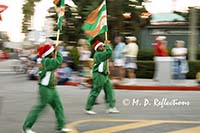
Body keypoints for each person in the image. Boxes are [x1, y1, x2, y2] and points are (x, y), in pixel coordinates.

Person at [22, 44, 71, 133]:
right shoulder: (46, 61)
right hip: (45, 88)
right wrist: (58, 52)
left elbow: (56, 63)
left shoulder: (48, 60)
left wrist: (56, 52)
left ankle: (61, 126)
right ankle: (27, 127)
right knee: (40, 107)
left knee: (58, 107)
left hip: (52, 88)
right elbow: (58, 62)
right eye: (52, 51)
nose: (53, 53)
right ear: (49, 53)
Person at [85, 40, 119, 115]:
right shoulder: (98, 54)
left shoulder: (102, 54)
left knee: (109, 90)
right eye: (101, 46)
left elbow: (104, 63)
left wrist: (106, 69)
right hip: (98, 75)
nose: (103, 47)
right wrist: (107, 46)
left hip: (104, 74)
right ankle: (88, 108)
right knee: (96, 91)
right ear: (97, 48)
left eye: (103, 46)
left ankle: (111, 107)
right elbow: (109, 53)